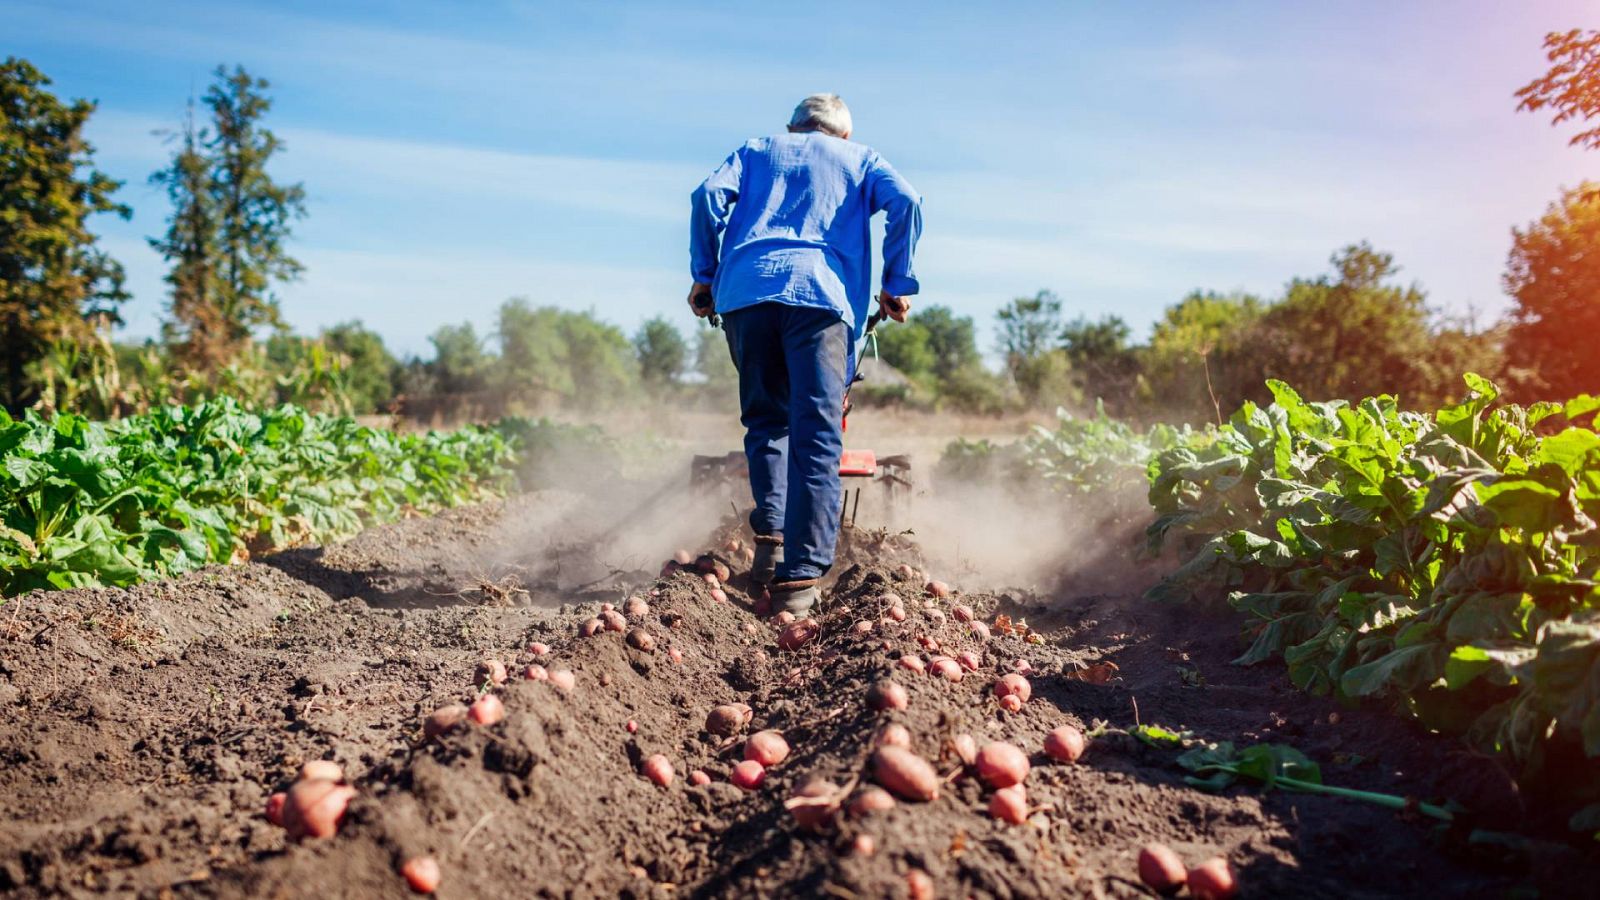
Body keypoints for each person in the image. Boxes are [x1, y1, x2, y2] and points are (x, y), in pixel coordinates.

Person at [687, 93, 923, 616]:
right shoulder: (861, 158)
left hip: (746, 293)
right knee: (817, 432)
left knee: (767, 421)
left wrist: (705, 276)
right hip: (821, 297)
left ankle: (770, 541)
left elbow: (707, 197)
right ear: (842, 135)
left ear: (793, 129)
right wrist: (896, 281)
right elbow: (906, 202)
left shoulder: (755, 150)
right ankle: (799, 582)